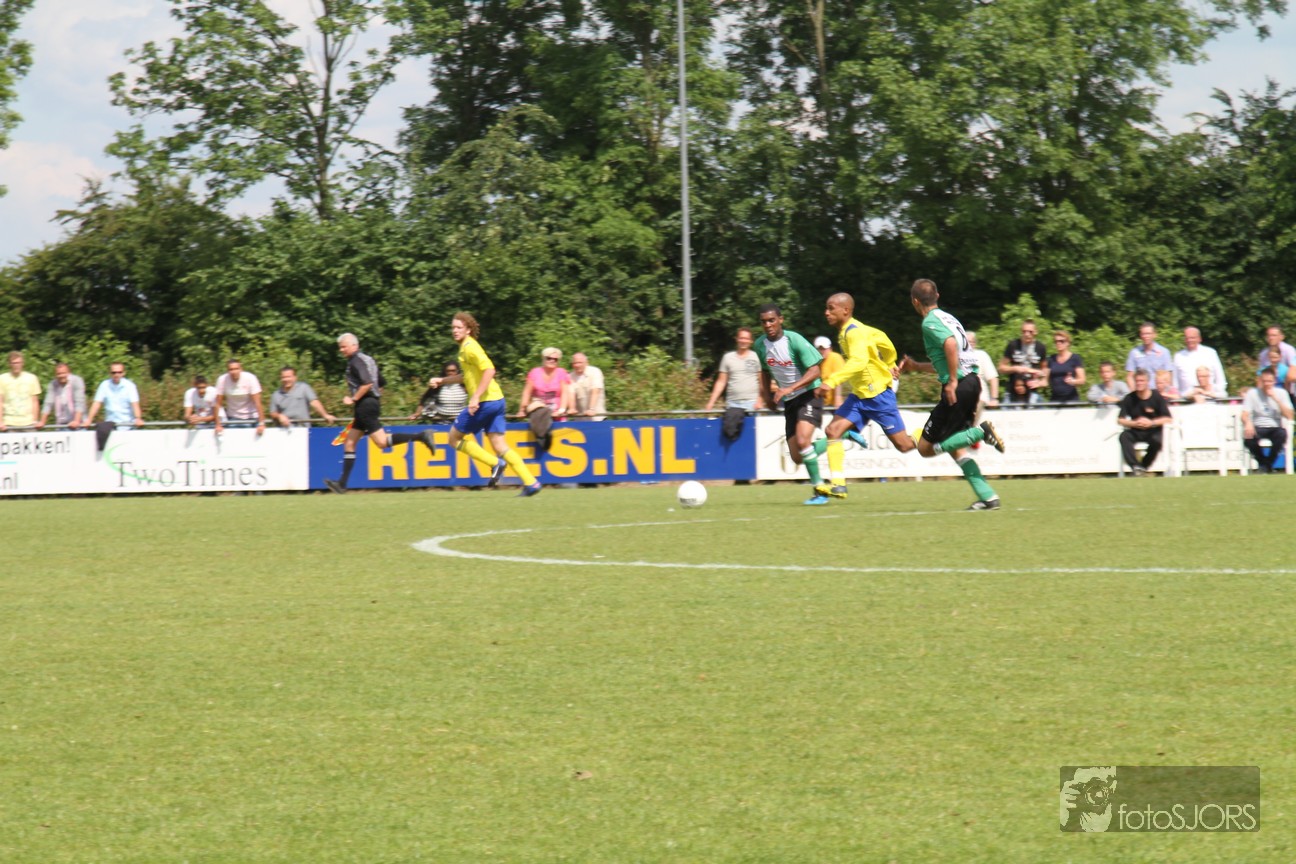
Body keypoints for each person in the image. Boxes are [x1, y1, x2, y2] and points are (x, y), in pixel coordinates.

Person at [896, 280, 1006, 509]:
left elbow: (949, 345)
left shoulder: (929, 322)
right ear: (937, 295)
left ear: (914, 301)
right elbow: (950, 358)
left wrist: (952, 381)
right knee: (955, 446)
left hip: (959, 385)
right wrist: (917, 366)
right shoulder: (949, 318)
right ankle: (988, 497)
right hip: (972, 383)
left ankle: (981, 432)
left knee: (925, 449)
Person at [810, 293, 919, 501]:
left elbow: (859, 362)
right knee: (833, 430)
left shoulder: (854, 332)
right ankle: (838, 485)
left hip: (878, 395)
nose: (826, 313)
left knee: (904, 445)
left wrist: (831, 382)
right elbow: (885, 341)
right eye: (826, 308)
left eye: (831, 308)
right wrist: (890, 363)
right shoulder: (853, 330)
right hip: (860, 396)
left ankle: (931, 432)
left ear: (845, 310)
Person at [422, 313, 542, 496]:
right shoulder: (466, 347)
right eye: (453, 327)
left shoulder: (470, 347)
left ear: (468, 330)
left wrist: (475, 397)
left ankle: (495, 463)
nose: (454, 331)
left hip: (485, 403)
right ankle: (531, 482)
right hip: (497, 400)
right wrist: (442, 381)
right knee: (500, 445)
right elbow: (466, 376)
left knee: (453, 439)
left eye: (459, 328)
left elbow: (490, 370)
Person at [324, 333, 430, 493]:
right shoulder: (368, 359)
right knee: (349, 442)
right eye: (340, 347)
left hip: (365, 405)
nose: (341, 350)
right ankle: (342, 484)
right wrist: (374, 398)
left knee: (381, 442)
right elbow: (381, 383)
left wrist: (353, 399)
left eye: (344, 347)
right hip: (369, 404)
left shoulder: (355, 361)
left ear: (354, 345)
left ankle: (420, 436)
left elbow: (367, 383)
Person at [753, 303, 828, 503]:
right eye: (764, 322)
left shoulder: (794, 340)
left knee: (803, 441)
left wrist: (789, 388)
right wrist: (767, 397)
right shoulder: (760, 345)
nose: (768, 325)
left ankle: (820, 491)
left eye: (772, 320)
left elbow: (815, 371)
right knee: (797, 457)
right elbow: (765, 371)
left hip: (809, 394)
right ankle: (839, 435)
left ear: (780, 320)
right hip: (790, 401)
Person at [1116, 369, 1172, 475]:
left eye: (1142, 381)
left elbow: (1168, 418)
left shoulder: (1156, 396)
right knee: (1124, 436)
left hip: (1153, 430)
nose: (1139, 383)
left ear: (1147, 382)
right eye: (1137, 381)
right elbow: (1120, 419)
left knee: (1157, 440)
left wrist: (1151, 423)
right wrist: (1134, 423)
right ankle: (1135, 466)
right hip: (1136, 430)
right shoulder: (1129, 398)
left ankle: (1143, 466)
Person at [1240, 367, 1294, 473]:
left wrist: (1276, 399)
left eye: (1269, 381)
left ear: (1274, 381)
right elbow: (1244, 414)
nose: (1266, 384)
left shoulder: (1281, 393)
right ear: (1260, 380)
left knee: (1282, 434)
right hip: (1258, 426)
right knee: (1248, 438)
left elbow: (1290, 416)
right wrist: (1248, 422)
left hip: (1274, 427)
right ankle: (1266, 465)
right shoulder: (1252, 393)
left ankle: (1266, 465)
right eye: (1264, 381)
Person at [704, 327, 765, 411]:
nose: (743, 341)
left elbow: (762, 381)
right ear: (737, 339)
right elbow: (721, 382)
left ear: (751, 341)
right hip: (733, 404)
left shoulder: (756, 357)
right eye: (741, 338)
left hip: (752, 403)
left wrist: (760, 399)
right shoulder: (727, 357)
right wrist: (711, 402)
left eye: (746, 339)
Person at [269, 366, 336, 427]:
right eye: (284, 377)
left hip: (303, 428)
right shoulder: (276, 394)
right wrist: (279, 416)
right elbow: (272, 413)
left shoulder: (304, 388)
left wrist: (325, 415)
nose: (286, 379)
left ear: (295, 378)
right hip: (284, 430)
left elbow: (314, 402)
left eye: (288, 377)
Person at [213, 358, 265, 436]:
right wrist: (218, 424)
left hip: (252, 417)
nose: (234, 372)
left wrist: (261, 423)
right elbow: (217, 404)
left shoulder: (250, 378)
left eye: (236, 369)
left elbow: (258, 403)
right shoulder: (222, 380)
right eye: (231, 369)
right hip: (233, 418)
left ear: (241, 369)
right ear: (228, 371)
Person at [516, 347, 571, 419]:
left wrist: (561, 410)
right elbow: (527, 393)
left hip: (557, 414)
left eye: (555, 359)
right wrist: (522, 410)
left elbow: (565, 393)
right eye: (549, 358)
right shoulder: (534, 372)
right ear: (543, 359)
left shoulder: (561, 372)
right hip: (539, 413)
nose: (552, 361)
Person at [85, 362, 143, 429]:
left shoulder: (130, 386)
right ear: (110, 373)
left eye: (119, 372)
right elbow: (96, 403)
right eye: (114, 372)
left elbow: (135, 404)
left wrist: (138, 418)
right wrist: (89, 419)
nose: (116, 374)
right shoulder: (104, 385)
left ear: (124, 373)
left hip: (128, 425)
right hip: (110, 426)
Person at [998, 319, 1047, 397]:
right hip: (1013, 391)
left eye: (1030, 332)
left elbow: (1044, 368)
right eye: (1024, 331)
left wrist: (1041, 381)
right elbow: (1001, 368)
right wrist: (1015, 368)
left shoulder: (1040, 347)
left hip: (1032, 391)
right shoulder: (1013, 345)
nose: (1027, 334)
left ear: (1036, 332)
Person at [1173, 326, 1227, 396]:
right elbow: (1175, 381)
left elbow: (1220, 379)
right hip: (1186, 397)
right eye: (1187, 338)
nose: (1189, 340)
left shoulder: (1210, 353)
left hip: (1209, 397)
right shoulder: (1178, 356)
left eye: (1192, 338)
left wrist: (1217, 393)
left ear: (1199, 339)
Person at [1124, 322, 1174, 391]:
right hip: (1141, 393)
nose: (1145, 336)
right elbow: (1130, 376)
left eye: (1148, 333)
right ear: (1140, 335)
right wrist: (1134, 393)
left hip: (1158, 392)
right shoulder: (1134, 353)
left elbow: (1168, 375)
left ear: (1154, 334)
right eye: (1143, 334)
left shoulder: (1164, 352)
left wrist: (1165, 392)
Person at [0, 351, 42, 431]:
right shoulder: (2, 379)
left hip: (29, 423)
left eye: (19, 362)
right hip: (9, 422)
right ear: (9, 364)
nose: (16, 365)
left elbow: (35, 401)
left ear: (23, 363)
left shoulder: (32, 378)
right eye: (14, 363)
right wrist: (0, 421)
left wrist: (35, 420)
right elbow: (0, 401)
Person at [37, 361, 86, 429]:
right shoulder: (53, 384)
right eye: (59, 374)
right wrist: (42, 421)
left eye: (64, 373)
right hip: (61, 424)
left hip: (79, 424)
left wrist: (76, 421)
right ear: (55, 375)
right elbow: (48, 403)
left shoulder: (77, 381)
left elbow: (79, 402)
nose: (61, 376)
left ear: (69, 373)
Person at [1045, 330, 1085, 403]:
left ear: (1068, 343)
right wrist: (1037, 382)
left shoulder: (1075, 358)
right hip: (1055, 399)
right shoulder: (1051, 359)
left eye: (1061, 341)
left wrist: (1073, 381)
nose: (1058, 343)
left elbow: (1082, 380)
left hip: (1071, 399)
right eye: (1056, 341)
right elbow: (1045, 381)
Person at [965, 330, 999, 409]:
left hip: (980, 399)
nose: (969, 344)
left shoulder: (981, 355)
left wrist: (994, 399)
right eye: (966, 342)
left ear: (975, 343)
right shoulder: (956, 356)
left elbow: (993, 378)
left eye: (971, 342)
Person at [569, 352, 606, 419]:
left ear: (586, 363)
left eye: (580, 362)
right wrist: (572, 408)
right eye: (575, 363)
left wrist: (591, 409)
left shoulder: (595, 372)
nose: (577, 365)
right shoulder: (570, 376)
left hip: (598, 418)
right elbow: (571, 393)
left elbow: (595, 391)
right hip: (580, 419)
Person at [812, 336, 845, 408]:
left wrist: (838, 398)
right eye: (819, 349)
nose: (821, 351)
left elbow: (839, 379)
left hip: (834, 403)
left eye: (824, 349)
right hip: (821, 401)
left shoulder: (835, 357)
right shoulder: (816, 360)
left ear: (830, 348)